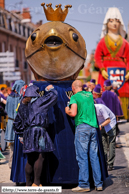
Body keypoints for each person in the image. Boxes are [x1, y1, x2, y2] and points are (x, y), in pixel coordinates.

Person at [13, 84, 58, 186]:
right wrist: (50, 88)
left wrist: (21, 135)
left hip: (27, 134)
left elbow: (16, 124)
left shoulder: (22, 106)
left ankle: (28, 184)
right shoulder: (39, 102)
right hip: (39, 133)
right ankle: (36, 183)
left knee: (31, 158)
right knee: (40, 157)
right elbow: (54, 96)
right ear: (34, 94)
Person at [65, 80, 103, 192]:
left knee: (82, 157)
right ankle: (98, 183)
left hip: (82, 128)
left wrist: (67, 109)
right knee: (94, 157)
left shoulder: (75, 97)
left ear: (73, 88)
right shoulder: (90, 95)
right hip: (93, 128)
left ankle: (84, 184)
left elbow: (73, 113)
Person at [95, 7, 129, 120]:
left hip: (121, 73)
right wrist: (102, 68)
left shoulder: (124, 42)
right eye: (111, 20)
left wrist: (128, 71)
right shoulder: (102, 41)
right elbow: (98, 57)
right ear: (107, 23)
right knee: (106, 93)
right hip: (107, 72)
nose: (114, 23)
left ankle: (122, 115)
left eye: (117, 21)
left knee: (122, 93)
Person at [4, 80, 25, 168]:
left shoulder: (9, 97)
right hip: (19, 124)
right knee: (20, 145)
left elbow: (6, 110)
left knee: (12, 146)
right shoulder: (22, 98)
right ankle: (19, 164)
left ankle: (11, 164)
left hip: (10, 122)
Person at [95, 103, 116, 171]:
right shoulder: (89, 109)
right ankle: (104, 163)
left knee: (111, 143)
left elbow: (108, 120)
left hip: (110, 124)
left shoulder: (100, 107)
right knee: (103, 144)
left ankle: (110, 164)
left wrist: (101, 126)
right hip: (101, 125)